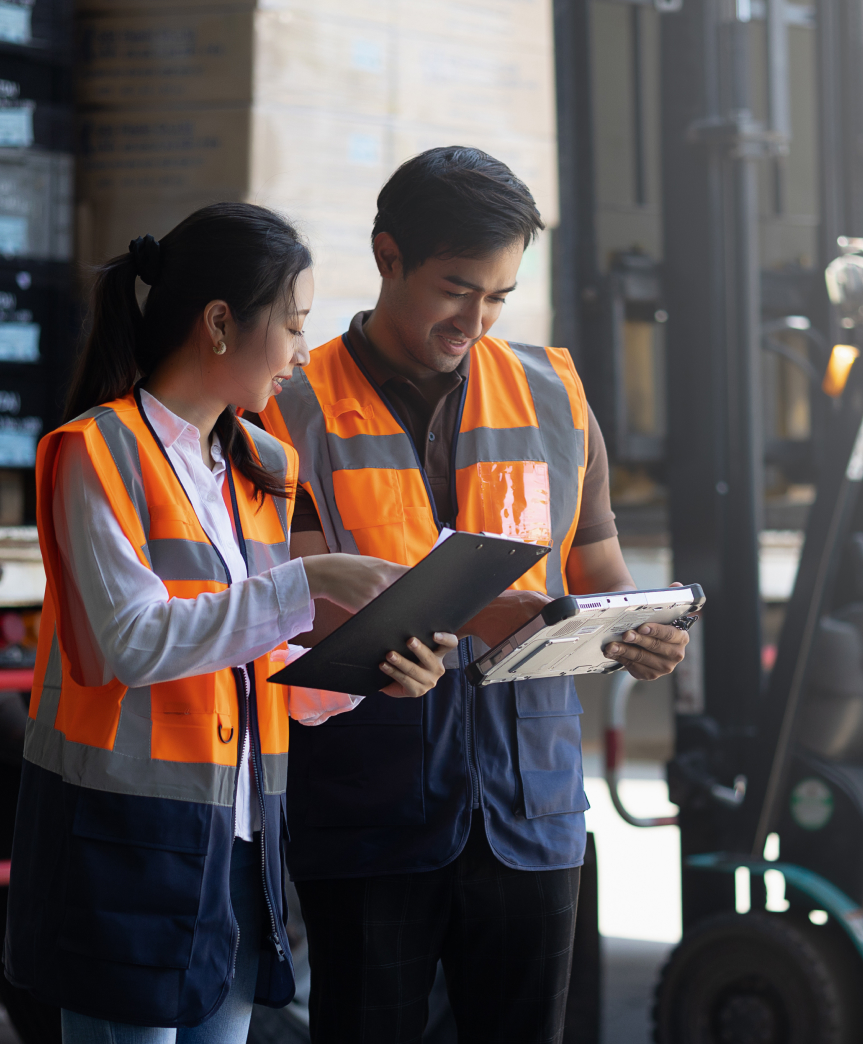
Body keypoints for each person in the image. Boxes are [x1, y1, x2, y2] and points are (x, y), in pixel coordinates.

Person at [254, 146, 689, 1043]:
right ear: (387, 257)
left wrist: (639, 628)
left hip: (528, 808)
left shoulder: (554, 396)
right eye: (457, 289)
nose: (477, 321)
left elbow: (596, 565)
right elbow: (277, 606)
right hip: (371, 807)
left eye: (499, 296)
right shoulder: (292, 408)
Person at [3, 202, 457, 1042]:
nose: (302, 353)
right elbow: (131, 642)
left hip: (242, 842)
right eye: (291, 326)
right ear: (219, 324)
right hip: (122, 842)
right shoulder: (95, 453)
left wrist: (362, 668)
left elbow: (255, 656)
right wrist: (311, 578)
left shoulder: (261, 464)